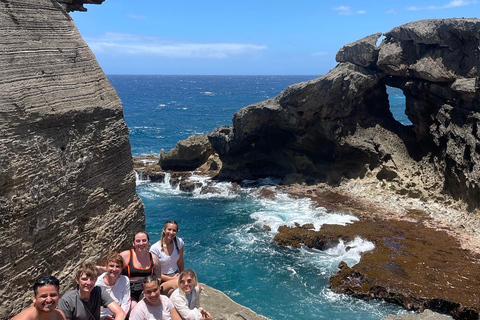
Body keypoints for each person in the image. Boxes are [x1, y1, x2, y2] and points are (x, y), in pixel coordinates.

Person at [58, 261, 126, 320]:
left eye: (92, 279)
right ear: (77, 280)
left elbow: (120, 313)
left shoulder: (99, 292)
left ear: (96, 280)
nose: (88, 283)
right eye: (84, 279)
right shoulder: (67, 301)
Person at [120, 231, 155, 309]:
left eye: (144, 240)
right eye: (138, 241)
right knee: (134, 307)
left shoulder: (154, 258)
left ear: (148, 242)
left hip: (146, 290)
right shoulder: (125, 256)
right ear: (133, 243)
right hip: (130, 290)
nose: (141, 243)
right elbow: (113, 268)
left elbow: (158, 277)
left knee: (147, 306)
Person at [150, 221, 184, 296]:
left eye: (174, 230)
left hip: (176, 275)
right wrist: (172, 279)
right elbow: (154, 272)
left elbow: (180, 261)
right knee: (175, 291)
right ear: (164, 230)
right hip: (162, 279)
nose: (171, 232)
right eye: (169, 229)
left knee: (194, 286)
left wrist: (183, 275)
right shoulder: (155, 248)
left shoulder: (179, 242)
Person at [95, 253, 131, 319]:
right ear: (106, 266)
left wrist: (120, 316)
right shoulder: (98, 283)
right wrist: (103, 317)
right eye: (111, 266)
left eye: (117, 266)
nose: (114, 269)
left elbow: (126, 302)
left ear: (122, 268)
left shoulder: (124, 280)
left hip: (119, 315)